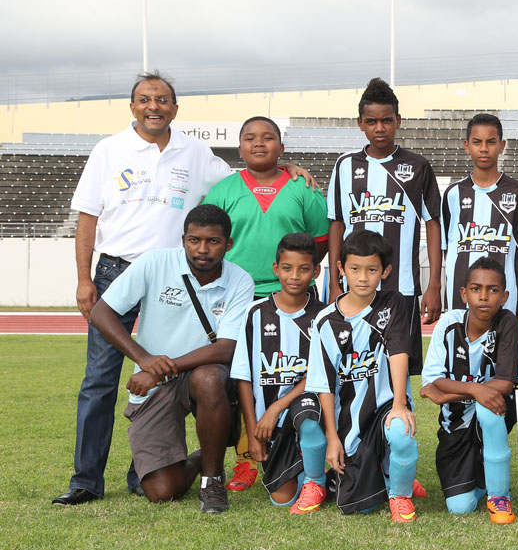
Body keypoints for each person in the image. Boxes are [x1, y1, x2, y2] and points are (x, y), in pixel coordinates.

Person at [54, 71, 238, 506]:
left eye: (162, 99)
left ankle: (145, 472)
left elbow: (237, 183)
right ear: (132, 105)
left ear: (175, 108)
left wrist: (285, 168)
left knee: (167, 375)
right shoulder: (108, 150)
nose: (153, 106)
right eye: (144, 99)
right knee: (99, 380)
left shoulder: (194, 152)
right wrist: (85, 280)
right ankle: (86, 480)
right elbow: (87, 217)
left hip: (173, 280)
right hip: (116, 273)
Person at [86, 204, 255, 513]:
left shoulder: (240, 280)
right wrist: (143, 359)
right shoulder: (154, 263)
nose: (202, 249)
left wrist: (162, 367)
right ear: (183, 240)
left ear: (228, 244)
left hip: (199, 374)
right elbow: (101, 312)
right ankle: (204, 455)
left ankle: (212, 481)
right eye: (194, 240)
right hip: (156, 382)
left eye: (213, 241)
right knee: (162, 491)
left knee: (210, 377)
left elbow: (226, 348)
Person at [202, 115, 331, 492]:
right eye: (250, 138)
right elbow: (210, 240)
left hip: (295, 294)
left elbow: (318, 242)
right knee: (240, 380)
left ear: (282, 147)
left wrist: (294, 275)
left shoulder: (301, 187)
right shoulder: (224, 189)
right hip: (238, 297)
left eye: (268, 137)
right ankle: (245, 459)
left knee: (302, 373)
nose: (259, 143)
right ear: (239, 147)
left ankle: (311, 453)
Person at [289, 229, 420, 522]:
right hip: (341, 409)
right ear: (341, 269)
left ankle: (400, 494)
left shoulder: (393, 303)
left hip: (384, 404)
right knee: (307, 419)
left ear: (385, 271)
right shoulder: (324, 320)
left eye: (372, 270)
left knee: (401, 432)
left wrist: (400, 404)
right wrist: (333, 438)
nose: (363, 278)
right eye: (355, 269)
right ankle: (316, 482)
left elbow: (399, 352)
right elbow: (322, 382)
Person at [326, 78, 441, 373]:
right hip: (354, 286)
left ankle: (401, 416)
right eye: (372, 121)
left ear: (398, 121)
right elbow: (337, 224)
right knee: (354, 365)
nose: (380, 128)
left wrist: (434, 285)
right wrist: (333, 281)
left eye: (387, 120)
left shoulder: (418, 166)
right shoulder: (345, 166)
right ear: (360, 123)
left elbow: (432, 223)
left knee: (398, 367)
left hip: (401, 288)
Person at [230, 233, 327, 507]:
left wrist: (277, 407)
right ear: (276, 269)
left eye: (304, 269)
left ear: (316, 271)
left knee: (307, 412)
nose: (294, 276)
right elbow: (244, 378)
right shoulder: (255, 313)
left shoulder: (324, 316)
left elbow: (320, 375)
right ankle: (310, 470)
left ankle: (317, 474)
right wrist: (252, 432)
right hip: (268, 428)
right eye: (287, 268)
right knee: (282, 499)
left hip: (308, 414)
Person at [421, 258, 518, 523]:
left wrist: (449, 394)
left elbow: (506, 383)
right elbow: (431, 382)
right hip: (455, 425)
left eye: (493, 290)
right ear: (463, 293)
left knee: (489, 409)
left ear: (504, 295)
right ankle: (483, 477)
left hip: (495, 411)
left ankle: (500, 496)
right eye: (476, 289)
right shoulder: (448, 323)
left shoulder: (507, 323)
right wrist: (474, 390)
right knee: (460, 507)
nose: (484, 296)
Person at [441, 113, 518, 316]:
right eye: (477, 142)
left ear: (502, 145)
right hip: (459, 300)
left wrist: (510, 277)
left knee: (504, 347)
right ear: (466, 146)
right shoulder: (453, 193)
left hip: (504, 299)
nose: (483, 148)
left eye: (491, 142)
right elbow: (449, 246)